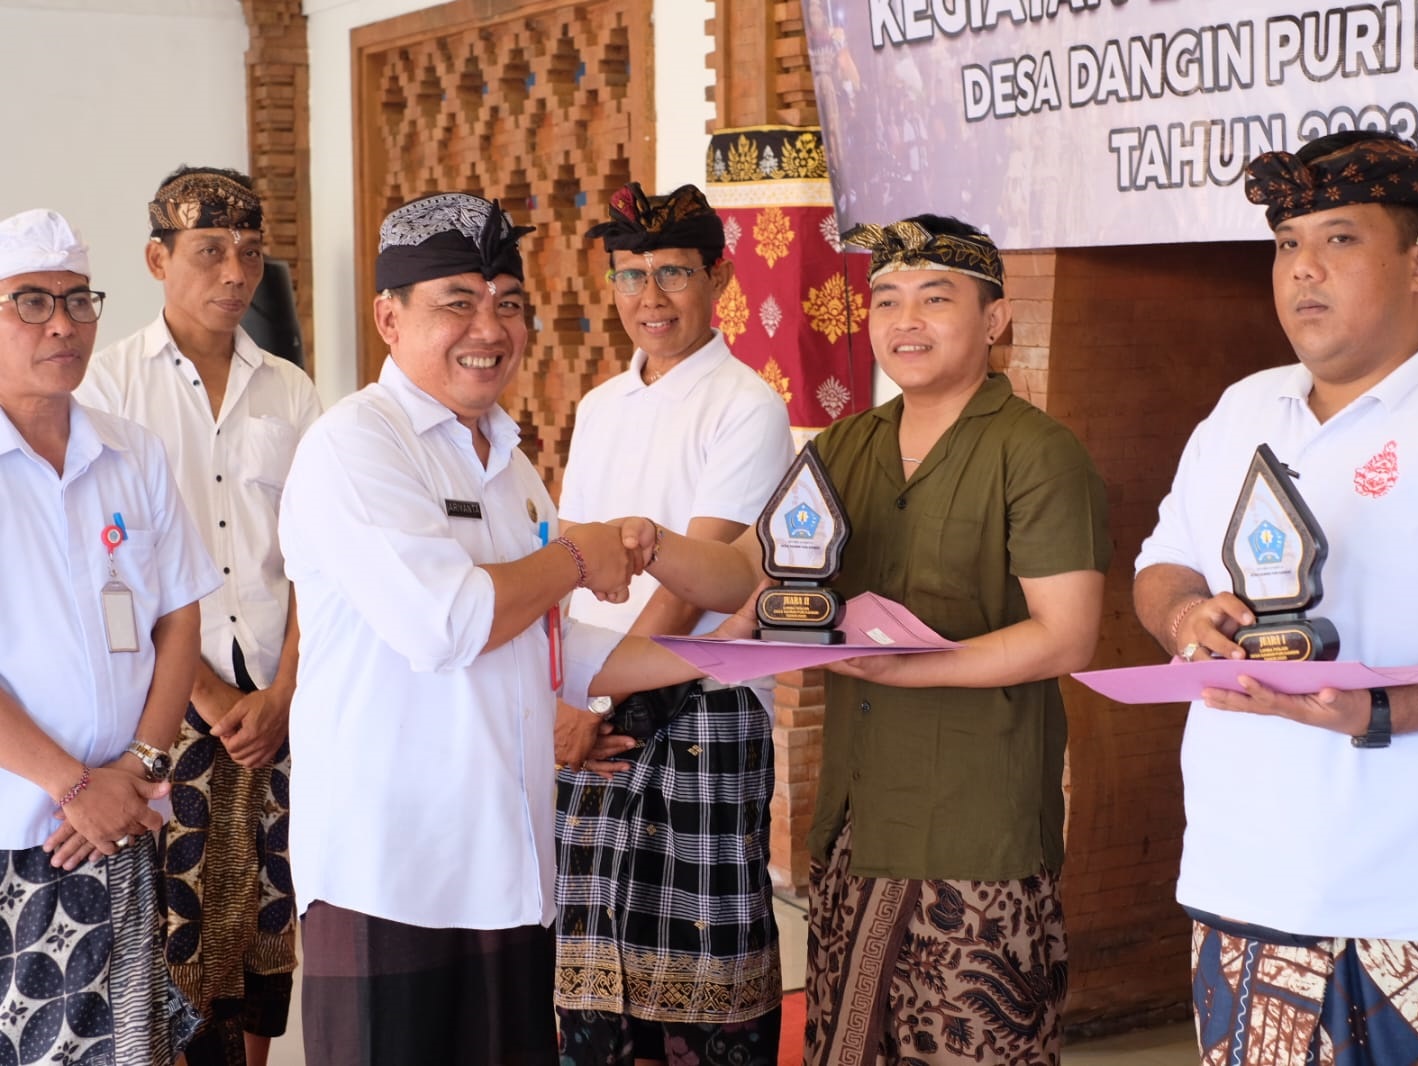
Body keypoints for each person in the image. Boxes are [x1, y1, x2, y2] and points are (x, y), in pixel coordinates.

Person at [1132, 131, 1418, 1065]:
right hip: (1239, 884)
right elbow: (1163, 567)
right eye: (1286, 243)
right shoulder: (1241, 410)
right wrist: (1187, 616)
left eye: (1339, 240)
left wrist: (1380, 708)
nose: (1303, 270)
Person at [635, 214, 1111, 1066]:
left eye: (936, 298)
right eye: (885, 300)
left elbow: (1067, 637)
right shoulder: (847, 444)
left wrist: (910, 670)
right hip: (858, 819)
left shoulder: (1037, 453)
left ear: (995, 319)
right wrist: (649, 544)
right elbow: (746, 572)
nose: (904, 322)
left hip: (977, 826)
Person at [279, 192, 726, 1066]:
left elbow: (550, 643)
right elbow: (448, 623)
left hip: (508, 867)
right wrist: (580, 556)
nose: (491, 326)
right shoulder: (355, 446)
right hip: (394, 872)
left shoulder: (509, 462)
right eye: (457, 301)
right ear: (388, 317)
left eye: (508, 303)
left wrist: (713, 655)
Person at [77, 165, 322, 1066]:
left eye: (250, 254)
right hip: (163, 708)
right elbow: (114, 569)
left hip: (280, 703)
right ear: (157, 258)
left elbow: (312, 560)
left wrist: (286, 689)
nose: (234, 274)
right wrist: (212, 700)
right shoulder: (105, 392)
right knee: (172, 941)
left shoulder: (291, 393)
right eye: (210, 251)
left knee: (264, 932)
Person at [552, 182, 794, 1065]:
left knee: (702, 972)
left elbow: (700, 579)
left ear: (718, 277)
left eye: (673, 274)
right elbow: (574, 565)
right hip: (591, 698)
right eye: (630, 277)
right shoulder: (598, 405)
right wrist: (567, 698)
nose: (649, 299)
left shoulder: (745, 403)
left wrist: (595, 702)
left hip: (698, 705)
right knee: (592, 968)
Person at [0, 208, 218, 1064]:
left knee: (128, 1045)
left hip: (124, 820)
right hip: (23, 831)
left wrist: (140, 766)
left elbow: (179, 614)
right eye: (30, 302)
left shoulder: (132, 452)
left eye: (78, 300)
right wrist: (70, 784)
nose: (62, 323)